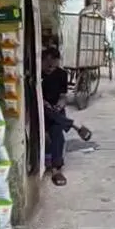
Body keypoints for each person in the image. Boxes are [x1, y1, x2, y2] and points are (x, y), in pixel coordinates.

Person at [40, 47, 92, 185]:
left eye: (53, 65)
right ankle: (74, 125)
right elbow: (36, 97)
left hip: (56, 113)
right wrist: (44, 103)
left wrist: (59, 105)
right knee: (45, 108)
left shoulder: (62, 74)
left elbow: (63, 96)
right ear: (41, 61)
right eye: (47, 64)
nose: (50, 68)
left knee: (57, 132)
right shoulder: (37, 75)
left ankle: (56, 170)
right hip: (41, 111)